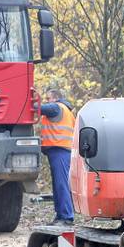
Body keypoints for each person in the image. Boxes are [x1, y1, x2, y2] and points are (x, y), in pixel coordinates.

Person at [40, 88, 75, 226]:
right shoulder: (66, 111)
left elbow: (38, 108)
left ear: (55, 98)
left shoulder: (56, 107)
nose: (46, 101)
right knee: (59, 184)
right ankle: (61, 216)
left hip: (59, 150)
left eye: (48, 99)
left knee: (61, 184)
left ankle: (66, 217)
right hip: (60, 150)